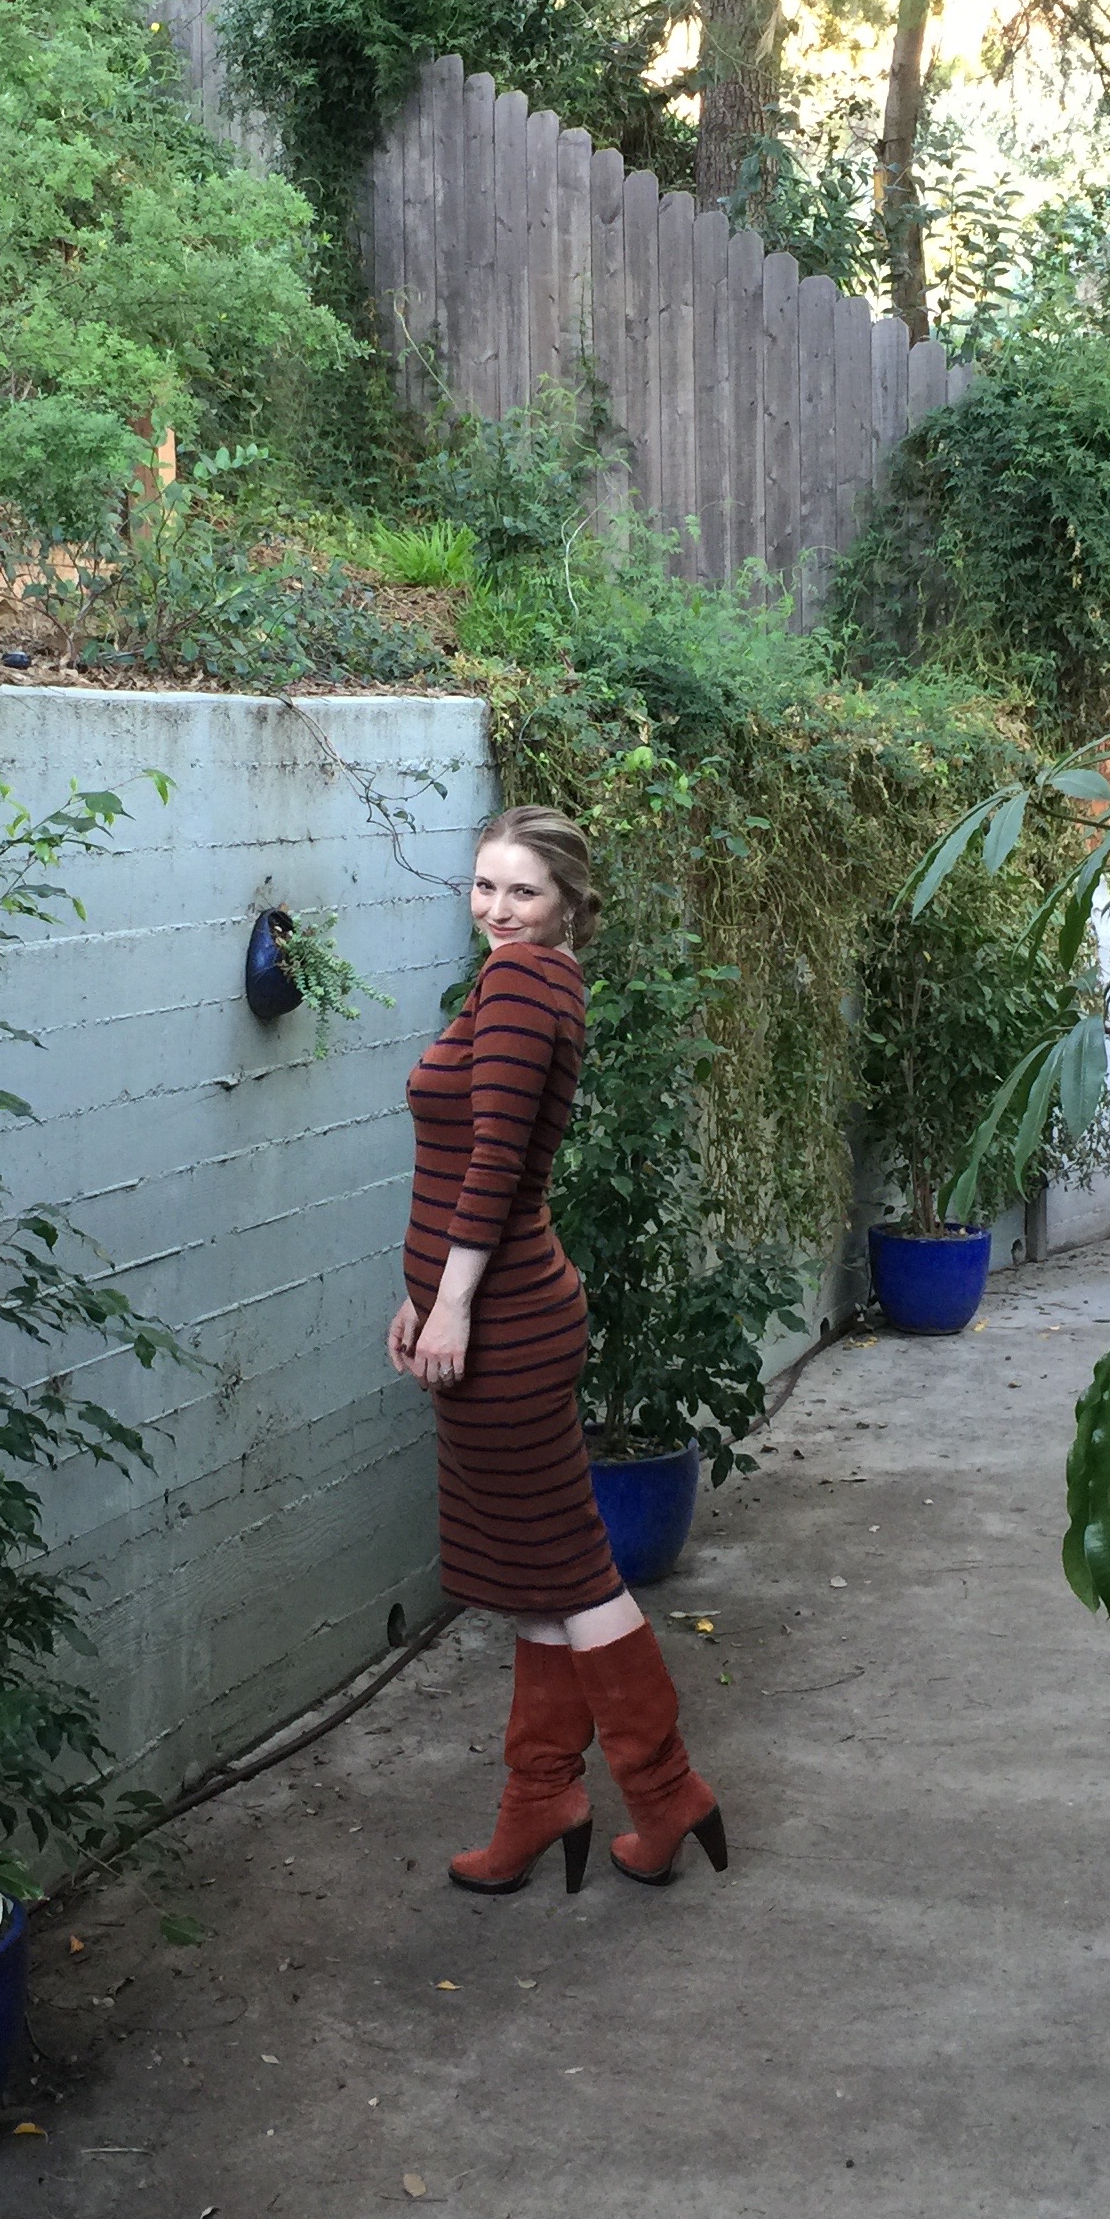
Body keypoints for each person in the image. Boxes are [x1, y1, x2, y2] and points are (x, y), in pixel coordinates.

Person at [387, 807, 728, 1897]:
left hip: (505, 1330)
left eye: (521, 891)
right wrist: (423, 1297)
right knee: (536, 1573)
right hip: (495, 1311)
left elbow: (493, 1166)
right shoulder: (525, 980)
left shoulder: (528, 985)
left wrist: (450, 1309)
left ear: (569, 904)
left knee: (572, 1570)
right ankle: (542, 1800)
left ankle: (665, 1791)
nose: (496, 910)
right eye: (483, 886)